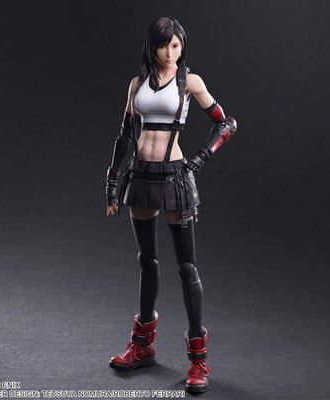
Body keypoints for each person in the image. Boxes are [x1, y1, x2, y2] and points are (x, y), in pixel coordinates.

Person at [105, 16, 237, 393]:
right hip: (140, 176)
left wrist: (202, 157)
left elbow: (226, 123)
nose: (170, 52)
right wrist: (112, 180)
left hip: (175, 177)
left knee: (187, 267)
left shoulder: (189, 82)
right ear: (153, 46)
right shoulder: (137, 84)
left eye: (176, 45)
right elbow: (125, 134)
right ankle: (142, 346)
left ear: (182, 47)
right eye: (164, 45)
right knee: (147, 261)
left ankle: (198, 361)